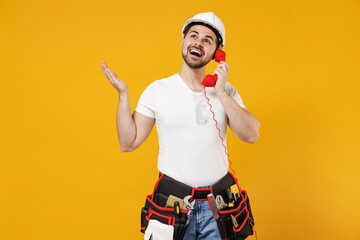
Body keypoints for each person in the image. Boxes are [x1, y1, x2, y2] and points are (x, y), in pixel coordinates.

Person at [101, 12, 260, 240]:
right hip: (173, 208)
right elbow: (128, 142)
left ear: (217, 53)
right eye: (193, 35)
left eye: (208, 40)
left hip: (218, 209)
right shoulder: (158, 90)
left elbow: (251, 134)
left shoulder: (227, 92)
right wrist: (124, 95)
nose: (198, 42)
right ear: (183, 41)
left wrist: (220, 91)